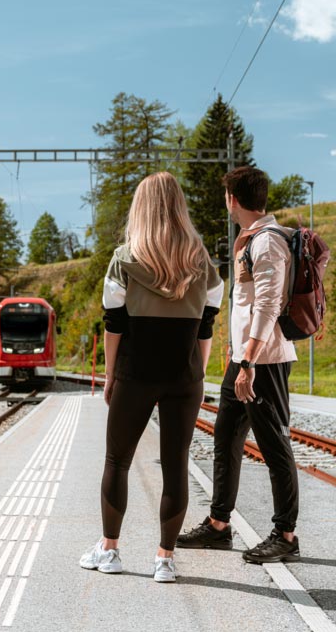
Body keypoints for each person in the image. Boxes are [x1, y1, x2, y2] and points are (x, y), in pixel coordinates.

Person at [79, 171, 224, 582]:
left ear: (140, 209)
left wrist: (111, 375)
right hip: (184, 377)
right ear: (179, 207)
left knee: (117, 460)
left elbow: (114, 325)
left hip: (136, 373)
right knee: (176, 464)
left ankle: (109, 550)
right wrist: (197, 373)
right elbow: (206, 328)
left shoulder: (125, 259)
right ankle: (165, 559)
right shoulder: (202, 263)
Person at [177, 166, 300, 564]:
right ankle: (218, 525)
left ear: (232, 199)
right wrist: (240, 359)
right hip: (243, 359)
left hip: (263, 360)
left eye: (225, 197)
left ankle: (286, 535)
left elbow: (267, 306)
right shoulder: (251, 238)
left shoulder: (268, 242)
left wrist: (249, 361)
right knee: (226, 437)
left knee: (274, 444)